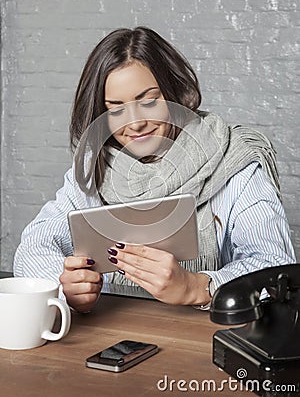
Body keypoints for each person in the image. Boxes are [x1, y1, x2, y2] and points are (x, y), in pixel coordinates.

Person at [14, 26, 296, 313]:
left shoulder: (235, 159)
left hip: (216, 337)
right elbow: (33, 247)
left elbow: (275, 267)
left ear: (175, 93)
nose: (135, 123)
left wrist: (196, 286)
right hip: (120, 335)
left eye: (148, 101)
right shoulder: (96, 168)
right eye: (115, 109)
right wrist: (65, 287)